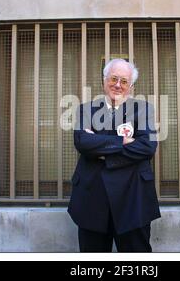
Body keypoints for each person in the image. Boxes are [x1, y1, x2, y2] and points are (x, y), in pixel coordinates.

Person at [67, 58, 161, 252]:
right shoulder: (85, 109)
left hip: (133, 199)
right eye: (114, 79)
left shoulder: (144, 110)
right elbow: (83, 142)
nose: (118, 85)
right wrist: (123, 142)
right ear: (104, 80)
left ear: (131, 86)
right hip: (92, 198)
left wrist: (101, 148)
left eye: (124, 81)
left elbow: (147, 147)